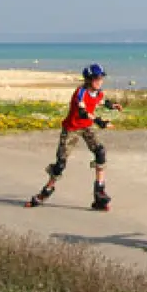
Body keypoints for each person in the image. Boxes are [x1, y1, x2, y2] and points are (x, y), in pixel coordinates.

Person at [25, 63, 122, 210]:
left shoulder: (98, 92)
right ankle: (44, 193)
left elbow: (101, 101)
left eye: (101, 78)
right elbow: (83, 112)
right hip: (71, 129)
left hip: (86, 127)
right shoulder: (80, 92)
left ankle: (99, 193)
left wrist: (113, 106)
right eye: (97, 78)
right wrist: (100, 121)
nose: (100, 81)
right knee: (60, 164)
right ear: (89, 80)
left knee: (100, 152)